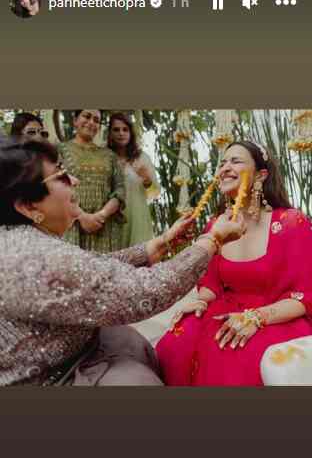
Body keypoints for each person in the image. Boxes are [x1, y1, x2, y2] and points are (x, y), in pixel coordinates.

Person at [0, 138, 245, 386]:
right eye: (61, 176)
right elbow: (144, 291)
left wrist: (156, 246)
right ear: (28, 206)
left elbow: (89, 268)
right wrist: (211, 241)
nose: (75, 180)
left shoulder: (17, 238)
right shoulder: (32, 258)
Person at [156, 140, 312, 386]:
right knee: (175, 343)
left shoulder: (292, 223)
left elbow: (304, 296)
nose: (225, 168)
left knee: (230, 353)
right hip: (225, 310)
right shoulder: (216, 225)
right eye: (222, 163)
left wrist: (255, 318)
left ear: (261, 175)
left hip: (276, 315)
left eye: (236, 161)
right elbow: (212, 285)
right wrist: (199, 301)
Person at [59, 110, 126, 253]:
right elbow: (55, 186)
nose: (91, 122)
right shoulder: (60, 150)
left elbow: (120, 190)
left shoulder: (109, 155)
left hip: (104, 227)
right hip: (71, 225)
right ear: (75, 120)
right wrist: (82, 217)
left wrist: (101, 215)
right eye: (87, 116)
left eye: (96, 120)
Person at [107, 113, 160, 248]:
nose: (121, 133)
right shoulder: (105, 157)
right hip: (111, 220)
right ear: (110, 133)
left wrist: (147, 180)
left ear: (131, 133)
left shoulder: (142, 158)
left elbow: (154, 194)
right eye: (116, 129)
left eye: (125, 129)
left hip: (138, 220)